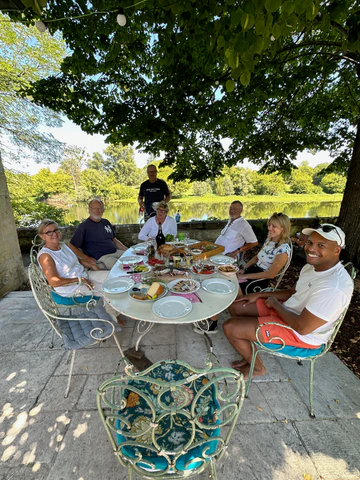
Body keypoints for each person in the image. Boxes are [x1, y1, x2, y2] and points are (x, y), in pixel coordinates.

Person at [223, 224, 353, 379]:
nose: (311, 249)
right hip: (289, 312)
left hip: (303, 335)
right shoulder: (313, 267)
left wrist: (276, 305)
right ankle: (250, 353)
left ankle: (257, 368)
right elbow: (293, 292)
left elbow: (302, 327)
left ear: (336, 250)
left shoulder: (333, 287)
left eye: (321, 245)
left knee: (230, 327)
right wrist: (260, 296)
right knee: (237, 305)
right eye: (310, 243)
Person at [37, 219, 126, 326]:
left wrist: (91, 265)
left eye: (56, 230)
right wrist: (79, 280)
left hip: (84, 275)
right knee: (108, 289)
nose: (54, 234)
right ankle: (114, 319)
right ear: (42, 236)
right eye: (49, 232)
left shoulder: (62, 245)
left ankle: (120, 309)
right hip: (71, 287)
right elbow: (54, 282)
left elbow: (75, 260)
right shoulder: (46, 256)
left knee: (116, 277)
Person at [236, 212, 291, 294]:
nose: (269, 228)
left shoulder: (283, 249)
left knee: (233, 287)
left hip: (260, 280)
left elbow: (271, 274)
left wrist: (245, 276)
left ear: (283, 228)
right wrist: (244, 268)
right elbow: (257, 257)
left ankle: (238, 304)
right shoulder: (269, 240)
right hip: (252, 271)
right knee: (231, 278)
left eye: (274, 226)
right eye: (269, 225)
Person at [69, 198, 127, 270]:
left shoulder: (106, 222)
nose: (97, 211)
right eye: (94, 208)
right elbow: (71, 246)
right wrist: (87, 258)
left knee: (133, 258)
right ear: (89, 210)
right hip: (102, 258)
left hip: (115, 252)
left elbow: (114, 240)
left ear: (103, 210)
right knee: (122, 267)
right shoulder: (84, 227)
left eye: (100, 208)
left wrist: (128, 250)